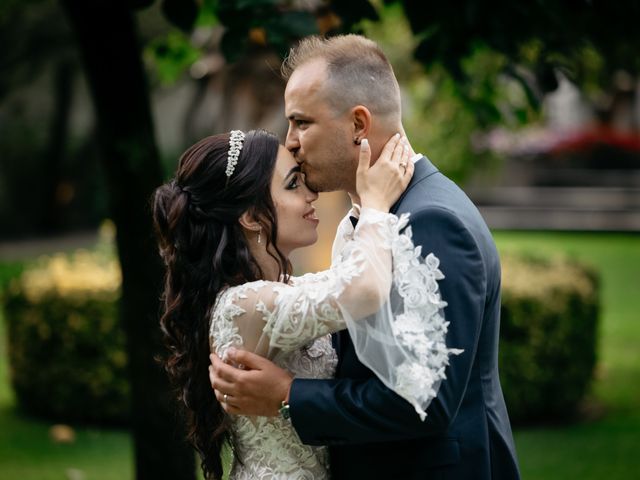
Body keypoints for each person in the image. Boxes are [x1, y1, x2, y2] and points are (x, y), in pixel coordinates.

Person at [209, 34, 521, 479]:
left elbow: (424, 402)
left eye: (301, 123)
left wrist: (289, 394)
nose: (290, 142)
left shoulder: (431, 220)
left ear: (358, 124)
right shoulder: (370, 217)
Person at [153, 128, 458, 479]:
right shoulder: (246, 304)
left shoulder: (276, 291)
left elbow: (345, 278)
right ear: (251, 216)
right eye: (293, 184)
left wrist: (361, 204)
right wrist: (375, 203)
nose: (311, 192)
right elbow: (364, 291)